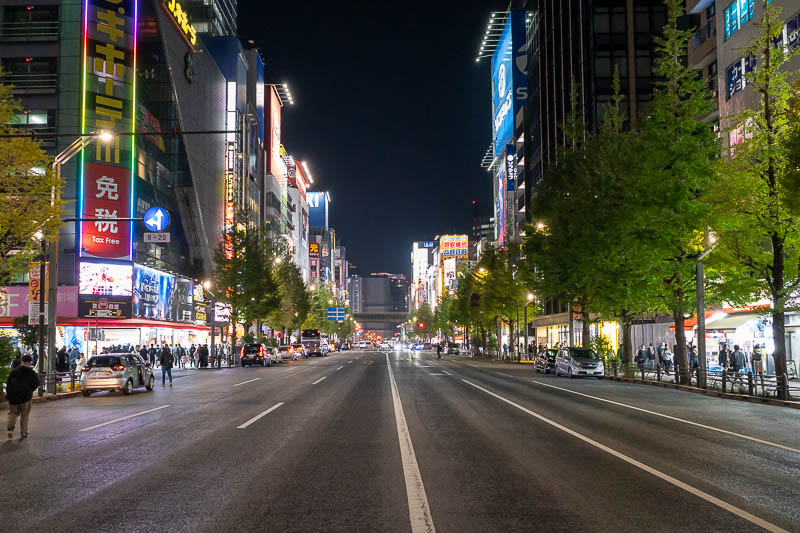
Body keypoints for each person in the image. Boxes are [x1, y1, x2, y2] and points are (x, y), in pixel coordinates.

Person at [6, 355, 40, 439]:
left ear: (22, 361)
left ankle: (10, 432)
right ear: (30, 362)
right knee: (25, 415)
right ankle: (23, 432)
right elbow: (36, 383)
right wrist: (29, 390)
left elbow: (8, 383)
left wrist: (9, 392)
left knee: (12, 413)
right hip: (25, 397)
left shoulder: (14, 371)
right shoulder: (31, 372)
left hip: (13, 397)